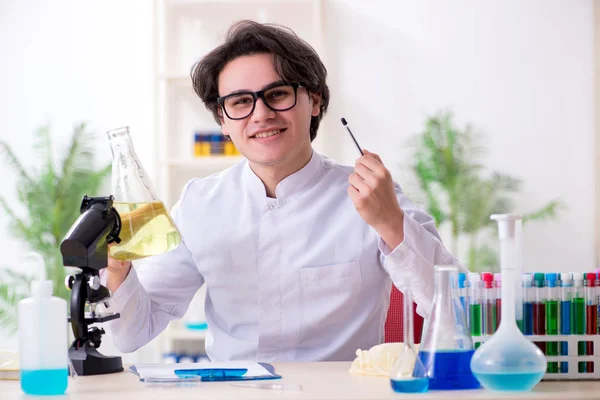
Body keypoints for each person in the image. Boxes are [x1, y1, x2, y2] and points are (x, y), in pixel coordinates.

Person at [103, 20, 465, 362]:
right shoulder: (200, 203)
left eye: (277, 94)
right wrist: (116, 270)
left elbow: (458, 311)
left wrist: (391, 224)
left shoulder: (373, 195)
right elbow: (133, 332)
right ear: (223, 121)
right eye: (240, 101)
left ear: (316, 101)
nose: (260, 114)